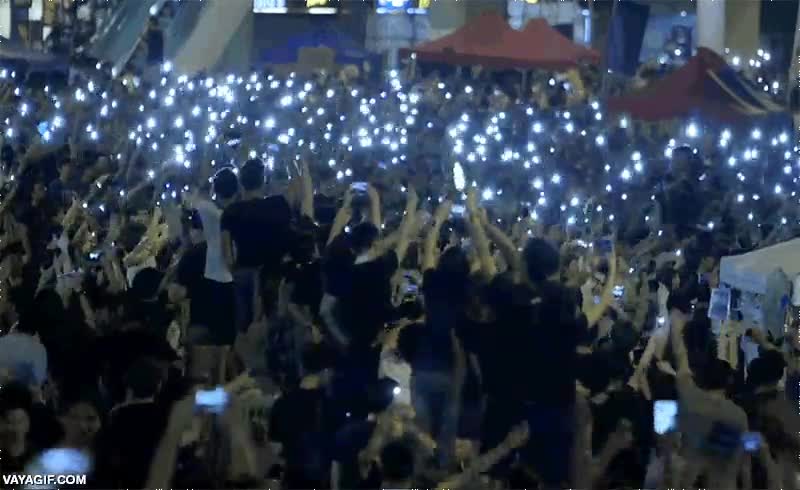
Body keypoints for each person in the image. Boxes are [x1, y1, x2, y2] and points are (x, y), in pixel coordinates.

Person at [220, 159, 291, 332]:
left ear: (241, 183)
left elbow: (227, 255)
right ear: (263, 180)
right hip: (274, 274)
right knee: (274, 327)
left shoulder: (231, 212)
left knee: (243, 330)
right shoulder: (279, 205)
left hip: (244, 273)